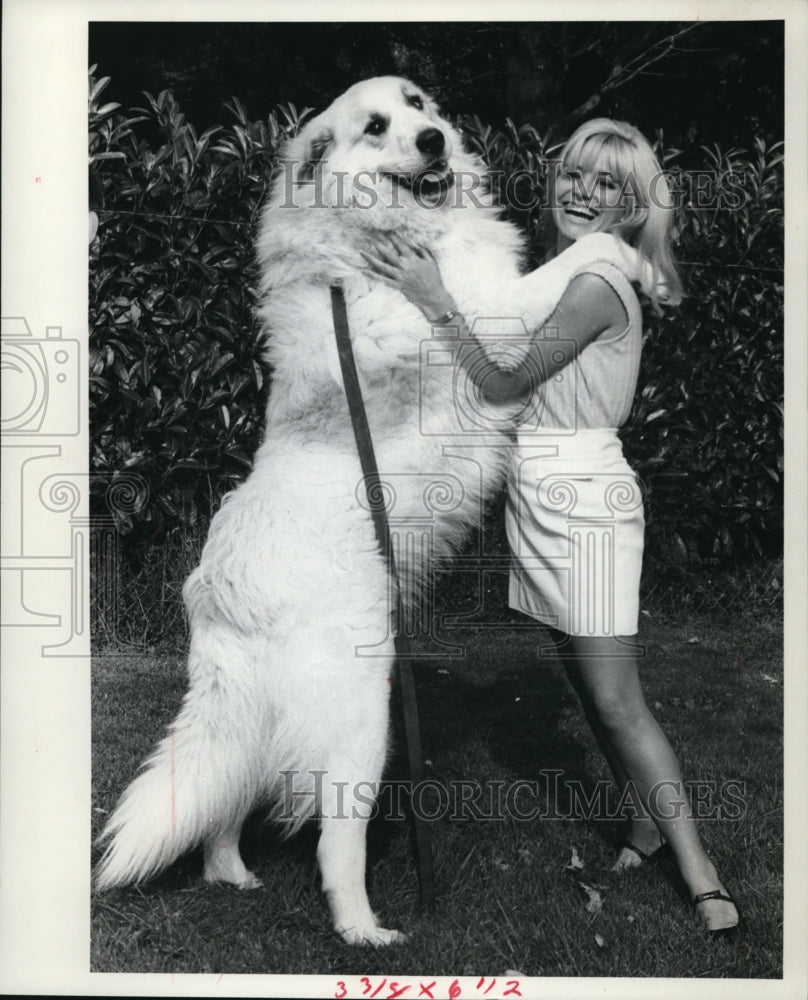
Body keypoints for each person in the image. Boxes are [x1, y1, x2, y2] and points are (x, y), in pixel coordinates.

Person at [362, 118, 740, 936]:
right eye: (572, 173)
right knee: (583, 685)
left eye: (604, 184)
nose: (580, 191)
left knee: (617, 698)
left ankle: (703, 874)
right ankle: (644, 824)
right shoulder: (570, 270)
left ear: (631, 202)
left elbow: (504, 384)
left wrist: (434, 302)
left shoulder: (599, 283)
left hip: (589, 501)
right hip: (540, 489)